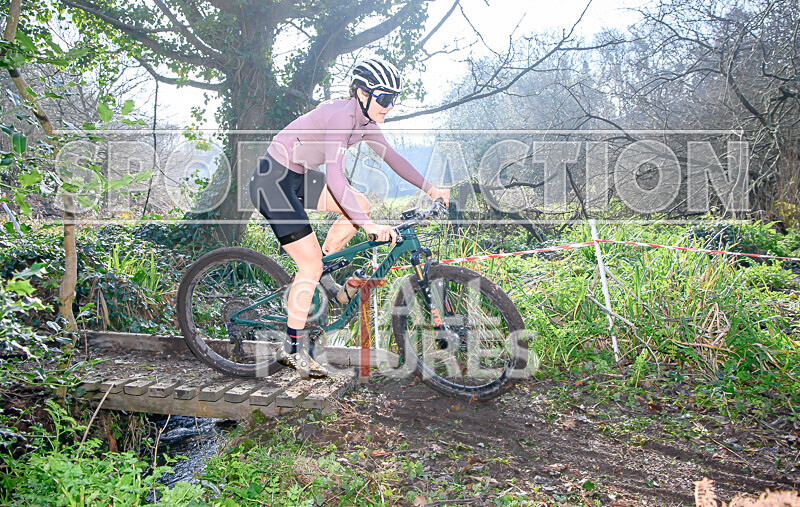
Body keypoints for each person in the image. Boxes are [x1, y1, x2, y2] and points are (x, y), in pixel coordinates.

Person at [248, 58, 450, 378]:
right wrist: (367, 226)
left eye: (395, 99)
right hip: (271, 181)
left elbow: (393, 159)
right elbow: (336, 177)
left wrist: (432, 188)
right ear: (362, 93)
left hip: (297, 176)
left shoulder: (366, 123)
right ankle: (290, 347)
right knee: (309, 263)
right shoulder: (343, 117)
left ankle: (327, 275)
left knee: (362, 204)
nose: (390, 105)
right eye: (385, 98)